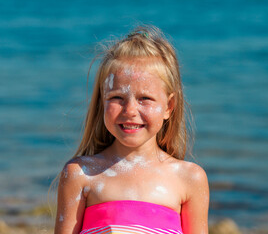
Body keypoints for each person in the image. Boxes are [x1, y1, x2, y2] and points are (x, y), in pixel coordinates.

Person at [54, 25, 209, 234]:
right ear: (102, 102)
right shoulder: (80, 175)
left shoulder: (189, 179)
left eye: (144, 99)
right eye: (117, 97)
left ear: (169, 107)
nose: (130, 111)